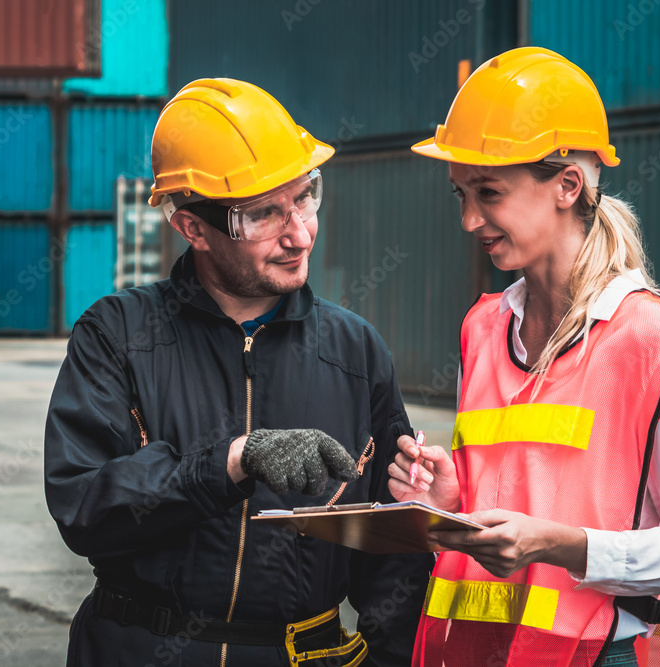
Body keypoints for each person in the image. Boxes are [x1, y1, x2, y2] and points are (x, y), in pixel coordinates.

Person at [45, 78, 434, 667]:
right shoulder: (118, 336)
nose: (298, 234)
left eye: (304, 198)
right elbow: (87, 511)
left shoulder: (356, 353)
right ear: (191, 228)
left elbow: (391, 557)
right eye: (262, 216)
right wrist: (230, 463)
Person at [387, 47, 660, 667]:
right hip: (482, 650)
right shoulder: (483, 327)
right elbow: (513, 504)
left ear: (567, 186)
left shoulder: (652, 340)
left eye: (487, 192)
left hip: (604, 652)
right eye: (459, 194)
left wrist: (564, 546)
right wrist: (449, 501)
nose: (468, 219)